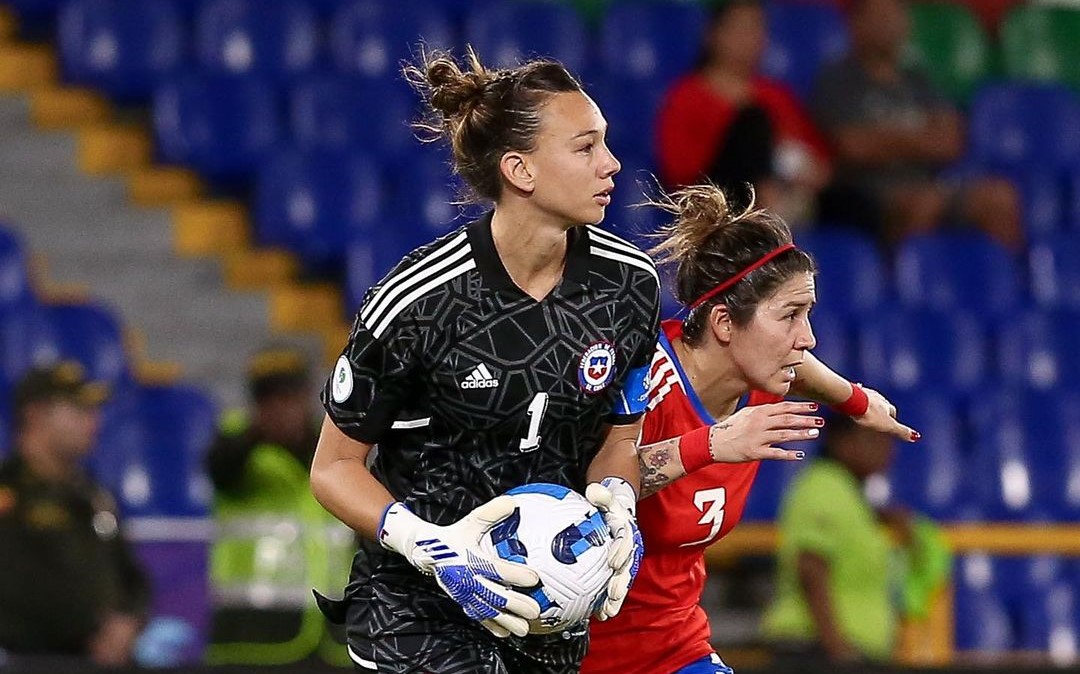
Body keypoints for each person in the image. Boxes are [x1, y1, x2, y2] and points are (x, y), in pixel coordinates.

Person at [309, 46, 662, 674]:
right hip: (414, 616)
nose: (611, 163)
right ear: (520, 171)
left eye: (605, 143)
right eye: (585, 147)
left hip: (548, 616)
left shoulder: (630, 287)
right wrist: (431, 548)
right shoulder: (419, 301)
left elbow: (618, 438)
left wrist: (618, 501)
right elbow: (333, 468)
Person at [581, 184, 917, 674]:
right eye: (790, 315)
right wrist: (711, 443)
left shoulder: (762, 373)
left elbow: (804, 369)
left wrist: (857, 401)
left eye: (808, 313)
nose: (808, 337)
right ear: (723, 322)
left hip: (676, 649)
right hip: (582, 653)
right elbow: (590, 496)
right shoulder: (645, 380)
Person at [811, 0, 1022, 250]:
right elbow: (853, 147)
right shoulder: (837, 79)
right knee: (924, 203)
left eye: (895, 15)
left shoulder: (917, 78)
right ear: (856, 24)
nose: (889, 24)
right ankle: (904, 273)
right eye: (880, 16)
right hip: (870, 194)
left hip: (932, 184)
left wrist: (884, 140)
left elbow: (950, 142)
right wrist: (920, 139)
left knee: (999, 198)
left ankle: (1003, 274)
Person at [204, 347, 354, 666]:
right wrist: (255, 434)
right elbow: (221, 468)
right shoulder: (234, 448)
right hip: (252, 640)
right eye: (269, 399)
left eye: (289, 397)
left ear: (306, 397)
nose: (280, 409)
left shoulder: (336, 451)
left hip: (330, 641)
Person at [761, 414, 951, 666]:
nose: (885, 448)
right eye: (873, 438)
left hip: (847, 652)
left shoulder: (851, 495)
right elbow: (811, 568)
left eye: (887, 439)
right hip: (818, 652)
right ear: (841, 442)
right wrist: (839, 650)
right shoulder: (823, 487)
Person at [0, 362, 149, 668]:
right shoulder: (10, 493)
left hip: (98, 664)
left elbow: (132, 578)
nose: (93, 421)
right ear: (36, 414)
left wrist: (127, 622)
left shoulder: (93, 495)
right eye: (79, 410)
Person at [655, 0, 831, 222]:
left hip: (786, 190)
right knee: (752, 121)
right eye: (740, 28)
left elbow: (815, 157)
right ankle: (767, 208)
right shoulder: (686, 96)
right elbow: (679, 174)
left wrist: (811, 172)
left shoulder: (776, 95)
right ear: (713, 34)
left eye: (756, 28)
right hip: (716, 199)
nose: (749, 38)